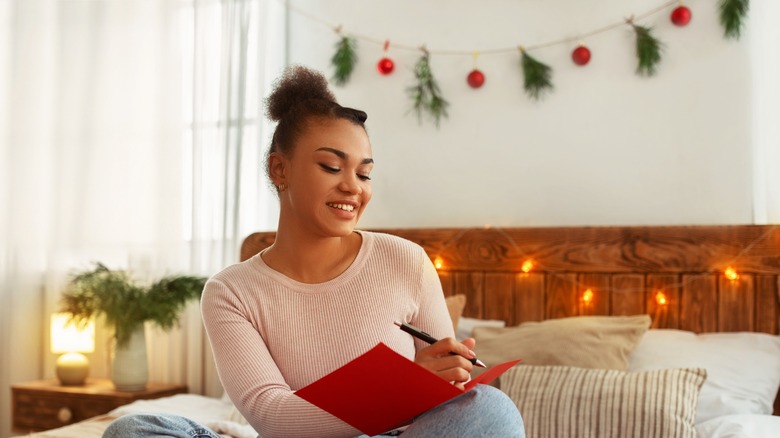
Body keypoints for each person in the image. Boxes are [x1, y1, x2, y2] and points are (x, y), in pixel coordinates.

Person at [103, 65, 524, 438]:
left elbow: (447, 408)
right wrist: (400, 386)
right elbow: (274, 419)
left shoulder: (406, 260)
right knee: (135, 430)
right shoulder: (231, 292)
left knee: (489, 410)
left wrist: (445, 377)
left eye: (364, 172)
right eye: (331, 166)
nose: (353, 187)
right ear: (279, 169)